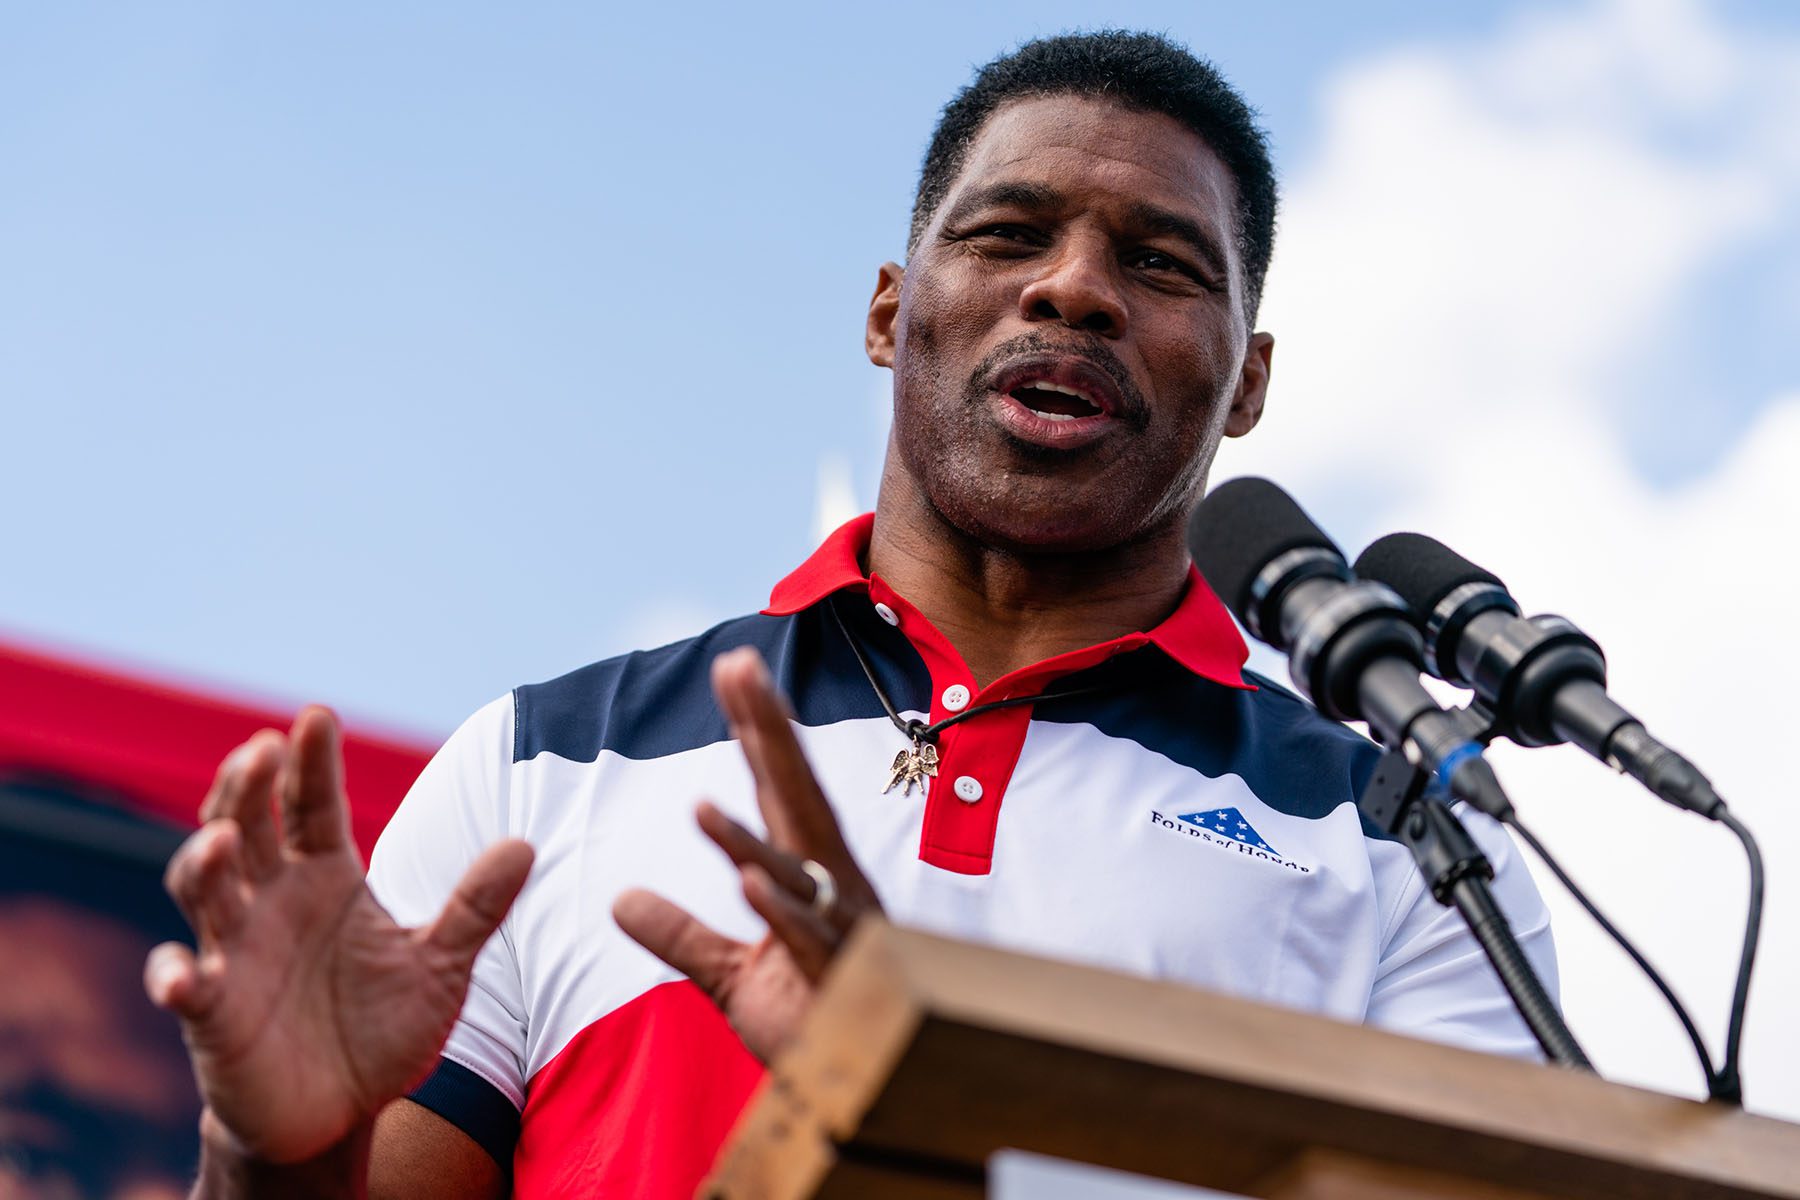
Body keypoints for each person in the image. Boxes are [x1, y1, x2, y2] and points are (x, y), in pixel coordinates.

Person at [144, 30, 1557, 1199]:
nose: (1074, 287)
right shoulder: (544, 765)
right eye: (1010, 234)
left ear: (1244, 383)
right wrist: (270, 1155)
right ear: (891, 312)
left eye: (1161, 263)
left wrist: (907, 1116)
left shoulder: (1405, 836)